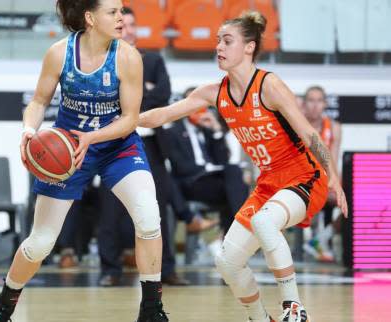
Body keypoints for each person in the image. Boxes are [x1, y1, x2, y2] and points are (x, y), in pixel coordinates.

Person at [139, 11, 347, 322]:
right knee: (227, 262)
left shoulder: (268, 85)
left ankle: (294, 308)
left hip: (303, 176)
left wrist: (335, 179)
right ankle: (259, 318)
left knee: (265, 224)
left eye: (227, 41)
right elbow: (161, 116)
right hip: (268, 184)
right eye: (217, 41)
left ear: (248, 47)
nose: (218, 47)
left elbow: (309, 133)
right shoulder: (215, 93)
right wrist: (117, 123)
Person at [0, 1, 168, 321]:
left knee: (149, 217)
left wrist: (92, 138)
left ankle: (152, 310)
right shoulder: (59, 53)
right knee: (40, 242)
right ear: (90, 18)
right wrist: (29, 129)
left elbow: (130, 119)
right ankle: (2, 308)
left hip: (115, 147)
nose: (122, 18)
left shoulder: (128, 57)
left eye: (122, 11)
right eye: (113, 13)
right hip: (67, 149)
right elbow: (39, 101)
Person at [96, 6, 187, 287]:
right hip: (113, 145)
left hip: (151, 145)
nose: (128, 29)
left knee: (158, 209)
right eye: (123, 23)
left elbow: (162, 95)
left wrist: (132, 99)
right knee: (110, 210)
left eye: (132, 24)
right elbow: (104, 100)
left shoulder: (155, 60)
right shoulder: (101, 61)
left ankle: (166, 269)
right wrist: (140, 92)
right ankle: (110, 270)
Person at [167, 87, 248, 236]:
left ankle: (232, 238)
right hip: (192, 182)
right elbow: (180, 166)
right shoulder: (173, 131)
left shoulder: (207, 130)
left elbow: (223, 160)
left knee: (233, 176)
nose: (198, 109)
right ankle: (243, 228)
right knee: (235, 186)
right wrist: (207, 169)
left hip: (211, 183)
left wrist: (216, 129)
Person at [301, 85, 343, 262]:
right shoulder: (297, 125)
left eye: (319, 101)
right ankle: (317, 241)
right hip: (301, 180)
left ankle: (321, 239)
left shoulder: (333, 127)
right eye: (311, 100)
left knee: (357, 200)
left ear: (325, 104)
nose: (315, 105)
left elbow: (332, 161)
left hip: (324, 180)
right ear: (304, 104)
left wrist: (337, 186)